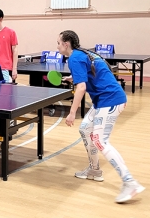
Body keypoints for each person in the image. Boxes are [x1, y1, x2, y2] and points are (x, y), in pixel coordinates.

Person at [56, 30, 145, 204]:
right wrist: (74, 77)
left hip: (110, 100)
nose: (57, 46)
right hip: (103, 100)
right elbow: (91, 73)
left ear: (66, 44)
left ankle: (130, 183)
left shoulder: (74, 58)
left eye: (58, 43)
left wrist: (72, 112)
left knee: (100, 140)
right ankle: (94, 170)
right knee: (85, 129)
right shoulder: (83, 53)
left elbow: (81, 88)